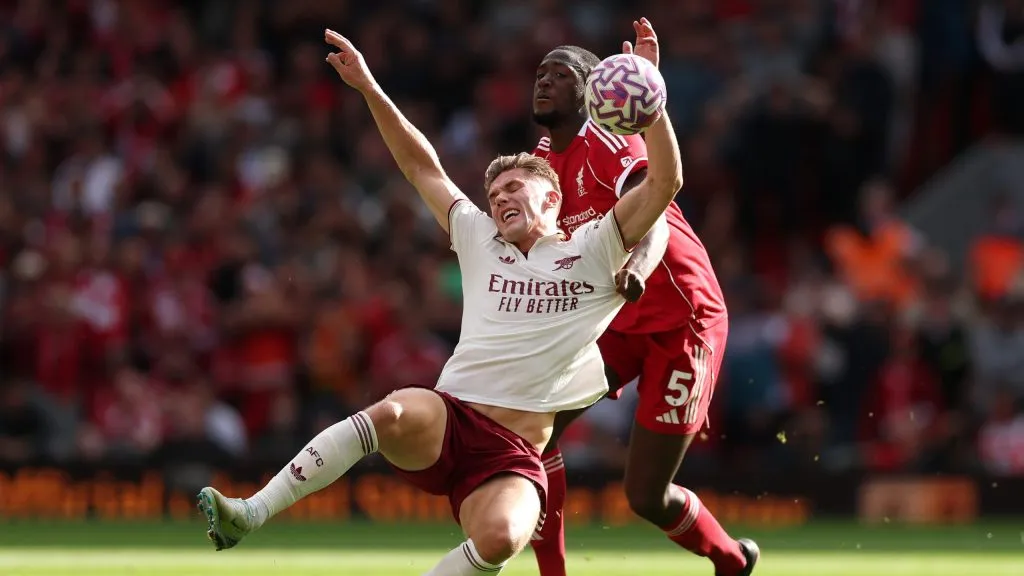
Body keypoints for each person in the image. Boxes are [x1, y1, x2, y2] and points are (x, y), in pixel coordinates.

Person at [196, 25, 685, 576]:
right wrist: (368, 89)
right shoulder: (479, 239)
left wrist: (653, 101)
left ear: (553, 196)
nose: (499, 198)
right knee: (393, 410)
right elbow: (420, 165)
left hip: (514, 454)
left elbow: (665, 183)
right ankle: (250, 512)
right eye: (493, 193)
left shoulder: (595, 247)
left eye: (514, 187)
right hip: (449, 418)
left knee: (500, 538)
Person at [527, 18, 759, 576]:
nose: (544, 81)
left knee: (645, 495)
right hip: (619, 321)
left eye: (560, 74)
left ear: (589, 92)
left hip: (686, 320)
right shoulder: (540, 158)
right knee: (533, 430)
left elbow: (652, 210)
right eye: (540, 73)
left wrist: (635, 263)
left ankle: (731, 559)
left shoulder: (610, 139)